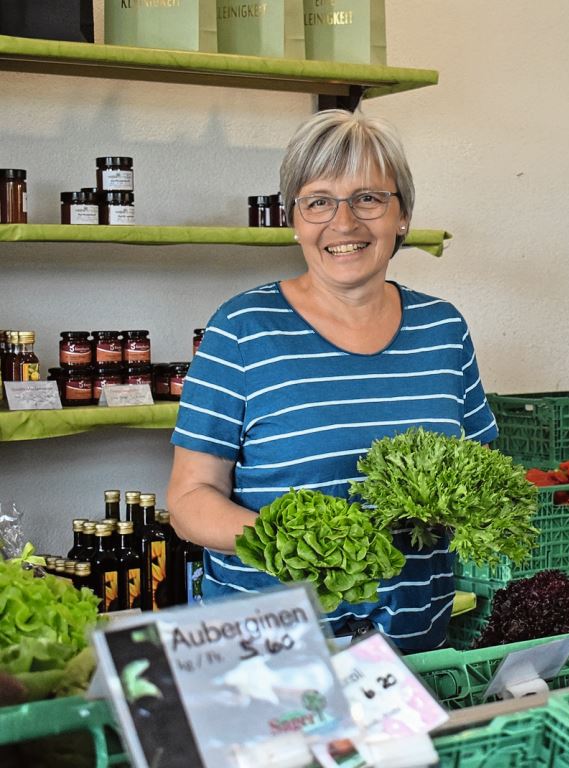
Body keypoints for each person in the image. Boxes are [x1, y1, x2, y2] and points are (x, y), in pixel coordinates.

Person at [166, 109, 497, 652]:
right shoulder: (243, 330)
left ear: (403, 216)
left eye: (368, 198)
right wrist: (300, 543)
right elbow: (190, 497)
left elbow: (482, 470)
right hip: (273, 650)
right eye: (319, 202)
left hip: (414, 650)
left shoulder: (443, 328)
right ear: (293, 219)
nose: (344, 224)